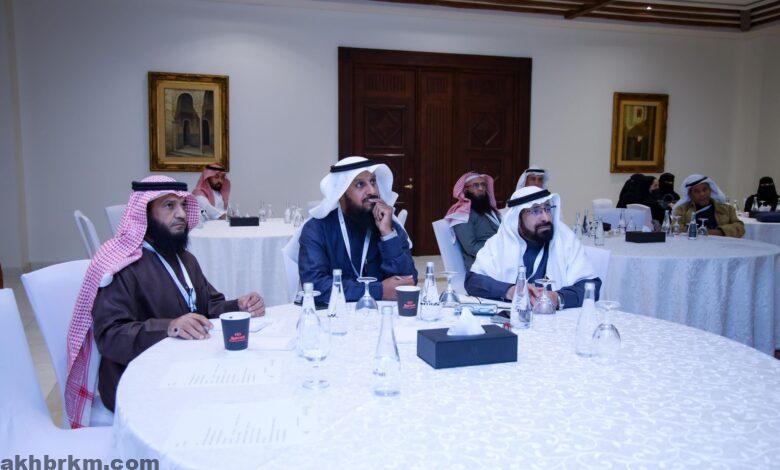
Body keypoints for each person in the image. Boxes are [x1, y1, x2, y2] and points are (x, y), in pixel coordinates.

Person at [65, 176, 265, 427]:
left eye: (183, 205)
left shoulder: (185, 259)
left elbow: (208, 306)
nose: (181, 214)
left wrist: (239, 306)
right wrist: (169, 327)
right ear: (145, 214)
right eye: (169, 206)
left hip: (185, 368)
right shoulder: (121, 266)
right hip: (135, 381)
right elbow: (110, 335)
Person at [294, 156, 417, 302]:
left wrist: (387, 234)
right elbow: (314, 286)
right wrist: (379, 291)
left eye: (373, 182)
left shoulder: (388, 224)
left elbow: (409, 281)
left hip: (381, 311)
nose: (372, 191)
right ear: (341, 193)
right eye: (360, 184)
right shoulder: (316, 229)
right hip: (333, 313)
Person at [465, 186, 601, 308]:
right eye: (536, 211)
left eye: (547, 209)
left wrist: (558, 298)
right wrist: (510, 291)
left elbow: (592, 286)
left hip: (558, 319)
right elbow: (473, 282)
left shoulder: (565, 239)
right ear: (517, 217)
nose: (545, 218)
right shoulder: (499, 243)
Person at [445, 172, 501, 270]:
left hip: (498, 259)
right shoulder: (462, 214)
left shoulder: (488, 210)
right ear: (466, 189)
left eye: (483, 185)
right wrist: (499, 249)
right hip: (480, 266)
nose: (481, 188)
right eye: (476, 185)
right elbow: (471, 248)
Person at [673, 174, 744, 238]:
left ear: (710, 190)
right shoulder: (682, 210)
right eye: (697, 191)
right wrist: (700, 232)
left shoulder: (727, 209)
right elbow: (675, 228)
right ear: (690, 195)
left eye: (705, 190)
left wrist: (719, 232)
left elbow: (740, 227)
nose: (702, 194)